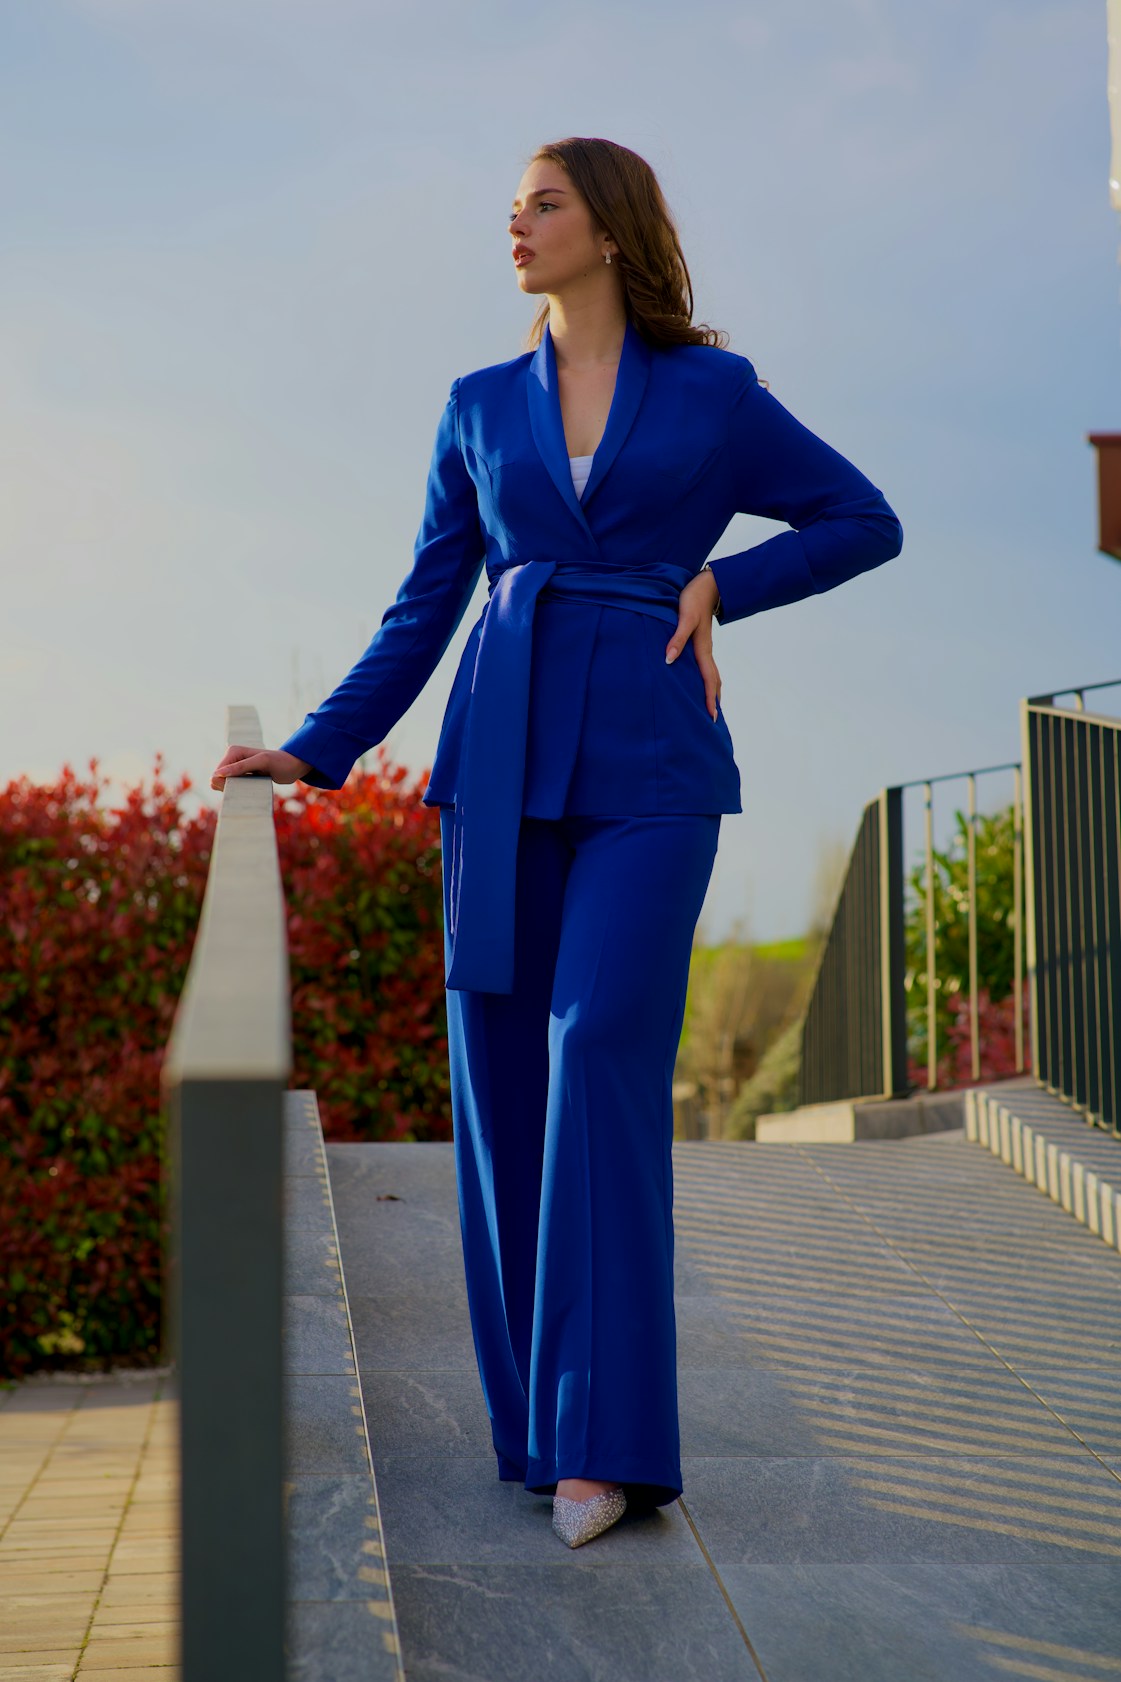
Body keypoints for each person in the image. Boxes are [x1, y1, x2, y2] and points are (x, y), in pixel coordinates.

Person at [212, 136, 903, 1550]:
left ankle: (608, 1443)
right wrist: (315, 745)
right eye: (510, 207)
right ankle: (537, 1425)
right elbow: (423, 604)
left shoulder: (713, 392)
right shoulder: (476, 405)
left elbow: (859, 517)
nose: (513, 224)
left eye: (541, 202)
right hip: (496, 761)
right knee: (503, 1084)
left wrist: (722, 581)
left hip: (652, 764)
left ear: (609, 226)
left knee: (596, 1046)